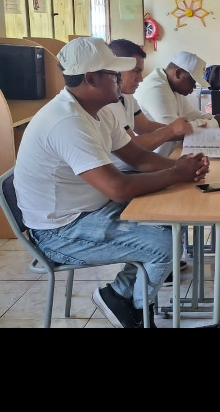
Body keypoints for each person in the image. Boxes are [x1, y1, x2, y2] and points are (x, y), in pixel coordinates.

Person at [13, 38, 209, 329]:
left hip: (90, 209)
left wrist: (182, 166)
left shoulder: (101, 109)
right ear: (91, 78)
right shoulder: (67, 121)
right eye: (115, 74)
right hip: (60, 232)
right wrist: (177, 173)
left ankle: (123, 298)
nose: (122, 79)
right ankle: (130, 308)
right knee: (164, 245)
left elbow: (138, 158)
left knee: (171, 219)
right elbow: (118, 188)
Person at [107, 40, 194, 169]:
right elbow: (132, 147)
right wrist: (171, 130)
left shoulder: (126, 96)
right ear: (116, 69)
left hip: (136, 168)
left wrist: (190, 132)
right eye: (135, 71)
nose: (141, 78)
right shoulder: (107, 104)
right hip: (124, 172)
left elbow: (145, 126)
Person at [137, 50, 220, 157]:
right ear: (178, 73)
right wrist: (215, 123)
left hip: (171, 152)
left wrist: (217, 118)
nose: (194, 87)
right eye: (192, 82)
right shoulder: (156, 89)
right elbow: (176, 131)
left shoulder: (172, 86)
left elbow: (191, 113)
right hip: (153, 159)